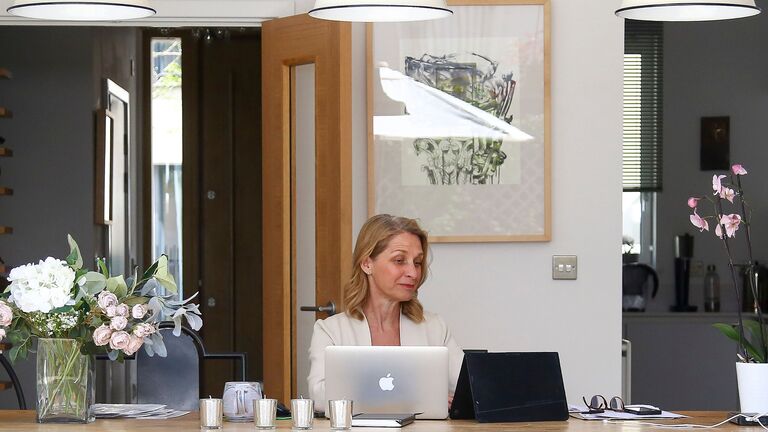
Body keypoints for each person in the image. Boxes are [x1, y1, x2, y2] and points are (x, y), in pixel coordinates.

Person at [307, 214, 464, 409]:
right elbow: (319, 398)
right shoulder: (330, 330)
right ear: (367, 264)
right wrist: (417, 397)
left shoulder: (434, 327)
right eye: (399, 260)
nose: (413, 273)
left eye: (417, 262)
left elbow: (470, 389)